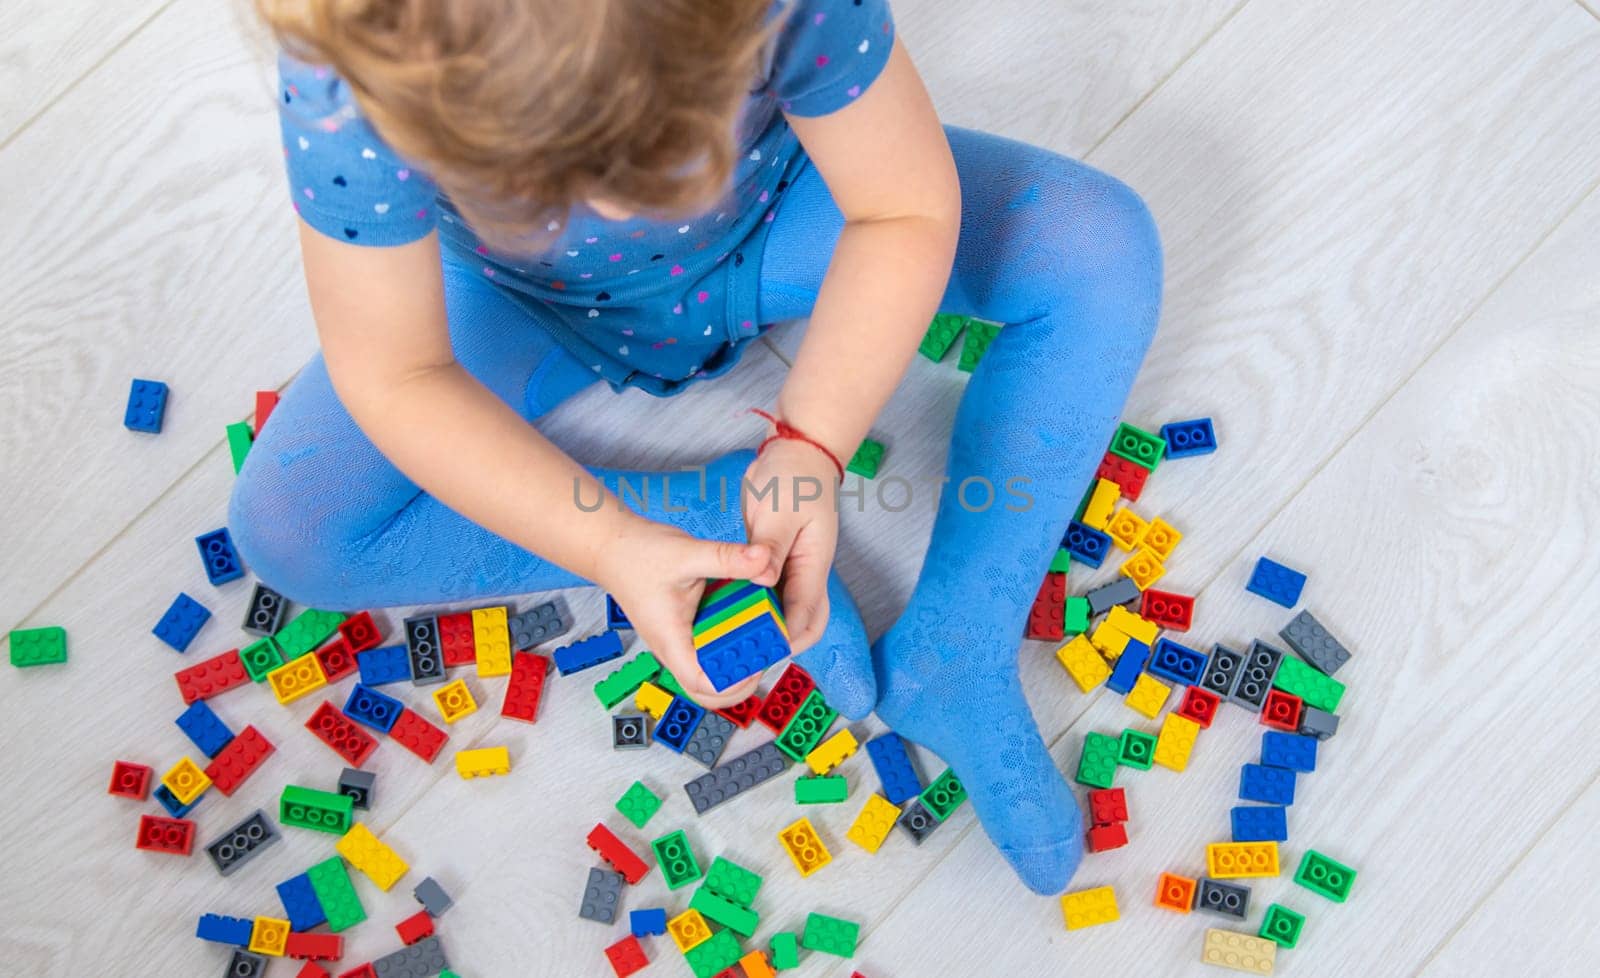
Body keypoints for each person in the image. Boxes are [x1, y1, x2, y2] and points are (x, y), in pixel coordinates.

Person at [232, 0, 1162, 895]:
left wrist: (810, 443)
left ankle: (960, 645)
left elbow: (903, 211)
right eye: (546, 187)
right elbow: (397, 375)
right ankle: (706, 511)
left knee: (1099, 245)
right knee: (288, 532)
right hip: (518, 301)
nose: (616, 195)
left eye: (660, 149)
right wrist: (611, 542)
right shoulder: (352, 73)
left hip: (778, 214)